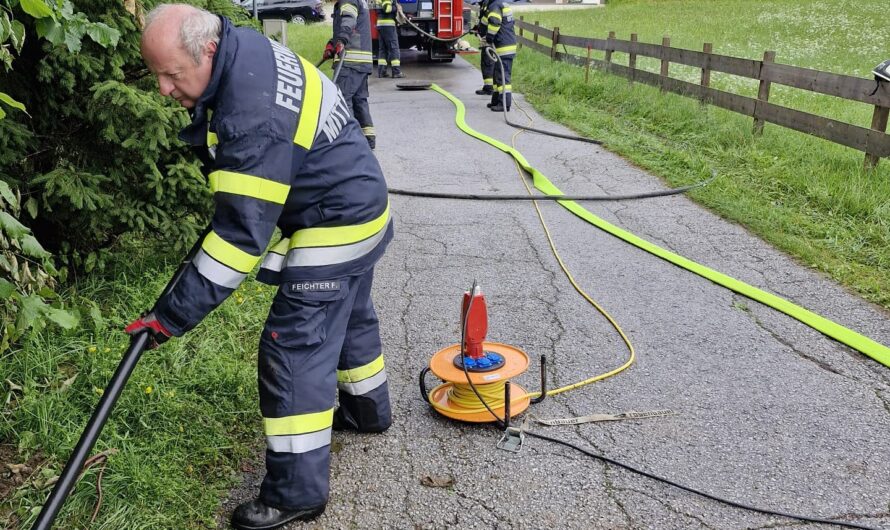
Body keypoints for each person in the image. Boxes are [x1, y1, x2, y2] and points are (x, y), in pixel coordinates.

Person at [132, 4, 394, 529]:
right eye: (157, 75)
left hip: (337, 220)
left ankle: (296, 492)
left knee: (294, 344)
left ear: (207, 50)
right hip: (362, 201)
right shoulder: (243, 48)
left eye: (171, 74)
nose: (163, 89)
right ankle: (368, 410)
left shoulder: (251, 114)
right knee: (348, 313)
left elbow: (236, 241)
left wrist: (169, 318)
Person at [326, 0, 377, 148]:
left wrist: (342, 40)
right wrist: (332, 43)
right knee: (359, 101)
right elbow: (355, 27)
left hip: (349, 62)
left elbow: (349, 19)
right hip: (361, 62)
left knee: (342, 101)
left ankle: (350, 142)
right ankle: (368, 139)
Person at [481, 0, 515, 112]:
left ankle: (504, 104)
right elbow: (487, 20)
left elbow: (495, 22)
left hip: (503, 47)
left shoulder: (495, 5)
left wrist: (489, 37)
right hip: (505, 44)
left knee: (502, 76)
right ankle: (496, 101)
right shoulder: (501, 3)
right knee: (497, 76)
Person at [375, 0, 403, 78]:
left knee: (383, 49)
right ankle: (396, 72)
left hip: (381, 24)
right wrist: (396, 8)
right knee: (394, 48)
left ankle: (382, 72)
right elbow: (387, 8)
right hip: (388, 25)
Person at [474, 0, 495, 95]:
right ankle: (488, 87)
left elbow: (488, 20)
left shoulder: (488, 4)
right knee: (486, 62)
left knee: (488, 62)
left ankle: (489, 88)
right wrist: (478, 28)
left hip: (489, 39)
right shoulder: (485, 3)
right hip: (486, 37)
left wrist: (482, 31)